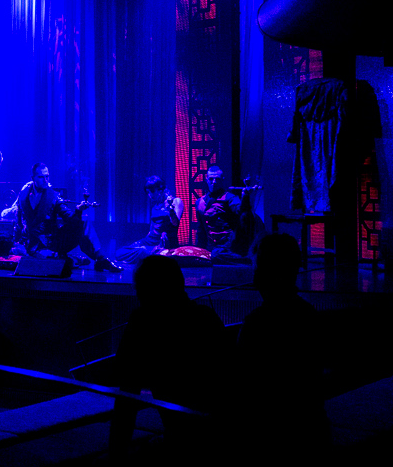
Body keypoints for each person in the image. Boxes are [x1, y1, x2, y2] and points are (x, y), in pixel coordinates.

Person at [109, 255, 230, 462]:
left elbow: (127, 396)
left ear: (144, 290)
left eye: (138, 289)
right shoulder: (206, 317)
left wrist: (116, 454)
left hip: (181, 438)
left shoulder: (143, 322)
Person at [236, 233, 329, 462]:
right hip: (310, 430)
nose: (254, 277)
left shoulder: (258, 324)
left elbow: (243, 386)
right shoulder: (308, 315)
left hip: (269, 435)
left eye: (257, 269)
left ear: (266, 273)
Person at [12, 162, 122, 272]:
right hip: (32, 244)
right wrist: (15, 242)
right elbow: (18, 221)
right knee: (55, 261)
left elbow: (69, 218)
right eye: (41, 177)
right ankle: (70, 259)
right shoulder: (23, 195)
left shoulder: (53, 196)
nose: (46, 180)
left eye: (47, 176)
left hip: (51, 242)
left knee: (83, 223)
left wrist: (78, 210)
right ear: (33, 178)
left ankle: (101, 259)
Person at [196, 165, 258, 264]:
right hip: (211, 247)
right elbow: (201, 230)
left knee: (216, 255)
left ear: (222, 180)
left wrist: (245, 196)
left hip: (228, 246)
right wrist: (198, 251)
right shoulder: (200, 202)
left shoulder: (230, 198)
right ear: (206, 180)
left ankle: (247, 261)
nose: (214, 182)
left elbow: (242, 212)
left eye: (217, 179)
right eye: (211, 179)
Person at [115, 176, 184, 264]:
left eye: (152, 191)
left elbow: (175, 223)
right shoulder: (155, 207)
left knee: (142, 251)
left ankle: (148, 255)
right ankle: (145, 254)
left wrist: (170, 210)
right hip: (149, 241)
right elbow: (151, 229)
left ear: (160, 190)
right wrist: (142, 243)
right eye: (148, 192)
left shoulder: (176, 201)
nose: (150, 195)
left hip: (164, 244)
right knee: (120, 252)